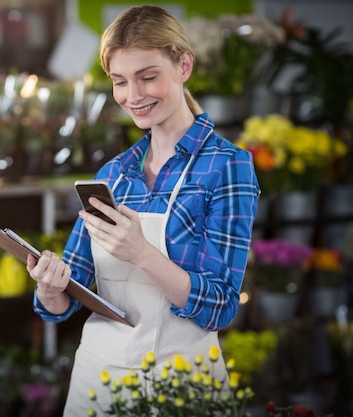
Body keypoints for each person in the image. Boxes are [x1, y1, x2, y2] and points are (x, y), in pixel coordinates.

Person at [26, 4, 260, 416]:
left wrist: (143, 254)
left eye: (147, 77)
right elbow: (67, 298)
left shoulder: (227, 165)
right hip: (98, 381)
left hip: (182, 383)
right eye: (120, 81)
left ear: (183, 65)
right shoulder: (113, 174)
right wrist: (49, 286)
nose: (132, 96)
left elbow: (221, 306)